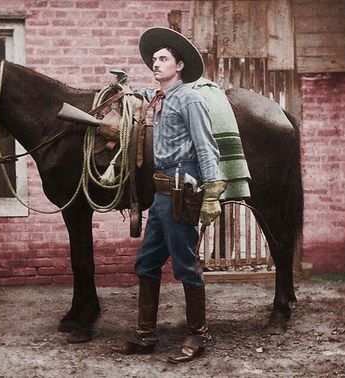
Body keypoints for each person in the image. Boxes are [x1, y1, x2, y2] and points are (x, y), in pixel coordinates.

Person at [111, 27, 226, 363]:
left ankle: (198, 334)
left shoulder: (190, 99)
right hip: (162, 193)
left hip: (182, 188)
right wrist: (123, 83)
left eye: (163, 59)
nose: (155, 64)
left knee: (185, 265)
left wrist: (212, 193)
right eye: (154, 60)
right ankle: (146, 335)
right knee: (146, 263)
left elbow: (206, 146)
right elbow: (139, 92)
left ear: (179, 66)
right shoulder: (158, 97)